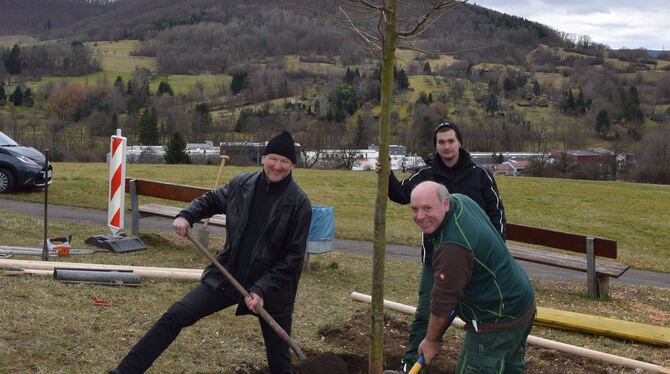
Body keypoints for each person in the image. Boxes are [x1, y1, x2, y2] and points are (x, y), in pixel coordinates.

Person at [110, 131, 312, 374]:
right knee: (174, 316)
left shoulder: (299, 204)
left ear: (292, 165)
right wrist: (187, 215)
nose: (277, 166)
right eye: (273, 159)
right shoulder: (242, 184)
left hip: (272, 292)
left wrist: (261, 289)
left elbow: (292, 259)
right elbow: (213, 200)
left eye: (284, 162)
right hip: (228, 276)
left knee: (279, 362)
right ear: (263, 158)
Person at [377, 121, 506, 372]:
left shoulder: (480, 175)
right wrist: (387, 174)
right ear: (436, 146)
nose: (446, 146)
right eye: (441, 142)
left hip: (477, 262)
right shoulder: (426, 174)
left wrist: (495, 250)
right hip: (436, 260)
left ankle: (486, 365)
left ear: (460, 143)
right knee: (426, 312)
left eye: (451, 141)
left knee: (483, 317)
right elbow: (401, 195)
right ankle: (411, 364)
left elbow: (497, 214)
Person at [387, 181, 535, 374]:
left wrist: (430, 341)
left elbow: (442, 302)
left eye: (427, 208)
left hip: (497, 319)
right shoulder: (462, 201)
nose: (420, 216)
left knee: (475, 367)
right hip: (521, 304)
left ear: (445, 203)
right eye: (414, 209)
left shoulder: (452, 247)